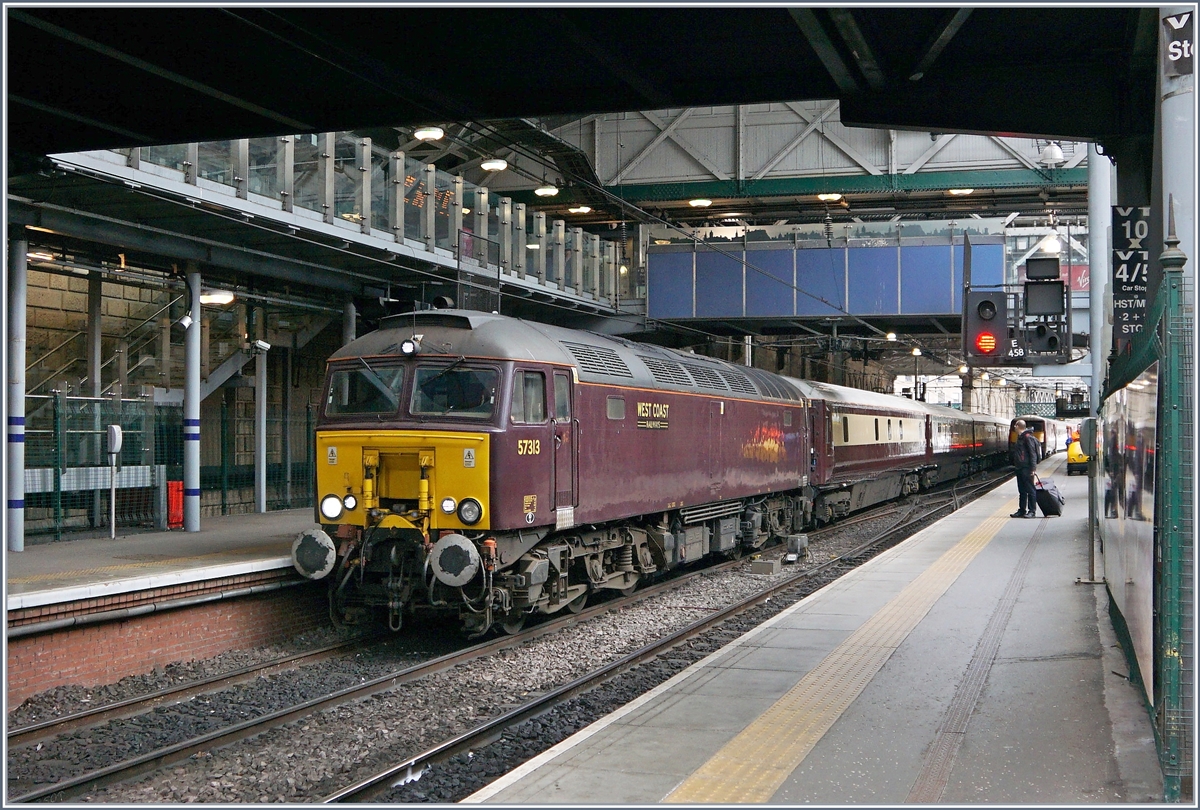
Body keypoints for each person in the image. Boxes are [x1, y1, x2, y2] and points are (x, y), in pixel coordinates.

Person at [1010, 419, 1042, 518]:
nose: (1014, 428)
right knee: (1022, 490)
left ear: (1018, 426)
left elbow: (1032, 454)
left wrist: (1033, 469)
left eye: (1015, 426)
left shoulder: (1027, 438)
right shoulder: (1020, 437)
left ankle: (1032, 511)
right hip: (1020, 467)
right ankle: (1022, 510)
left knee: (1030, 489)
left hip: (1027, 468)